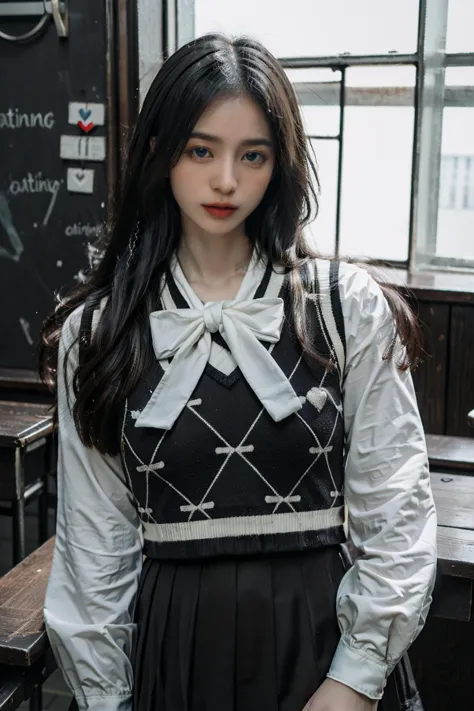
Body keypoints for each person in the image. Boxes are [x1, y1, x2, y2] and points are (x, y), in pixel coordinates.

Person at [40, 33, 437, 711]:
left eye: (251, 155)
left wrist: (354, 678)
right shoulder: (99, 333)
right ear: (161, 152)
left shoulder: (346, 309)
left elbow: (397, 507)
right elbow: (93, 553)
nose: (226, 180)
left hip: (322, 650)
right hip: (177, 655)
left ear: (277, 164)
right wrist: (108, 697)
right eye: (202, 150)